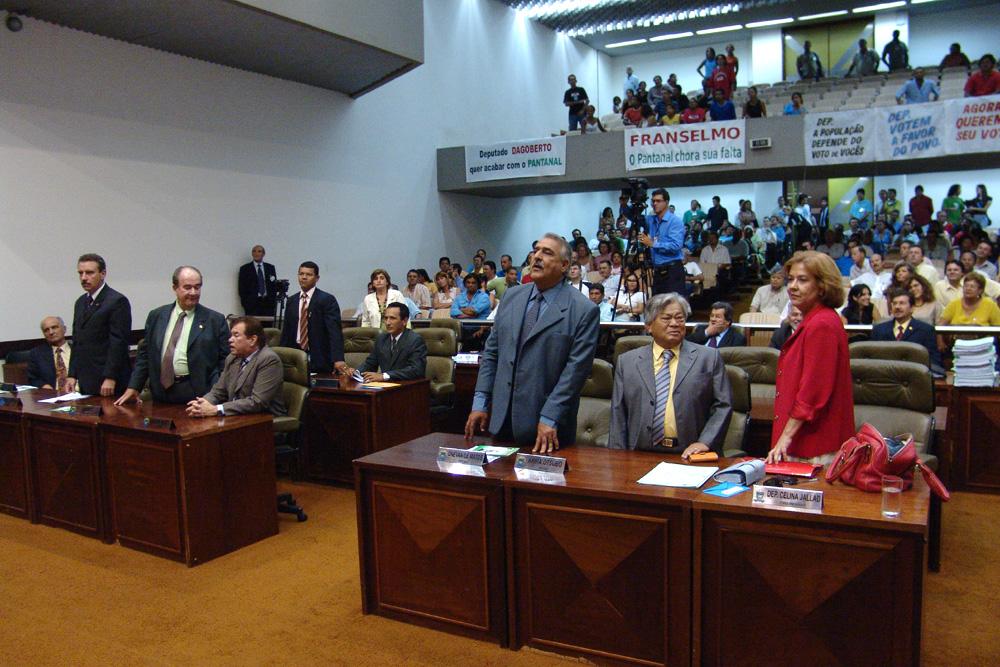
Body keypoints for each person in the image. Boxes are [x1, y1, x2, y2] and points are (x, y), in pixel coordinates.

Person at [465, 233, 600, 452]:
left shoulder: (584, 310)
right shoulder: (511, 297)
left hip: (547, 428)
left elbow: (575, 372)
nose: (537, 257)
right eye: (536, 251)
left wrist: (550, 417)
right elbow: (492, 353)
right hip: (501, 420)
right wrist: (480, 401)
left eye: (547, 253)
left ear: (565, 265)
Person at [609, 292, 732, 457]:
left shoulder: (709, 358)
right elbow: (618, 413)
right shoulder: (627, 362)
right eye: (666, 318)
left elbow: (723, 405)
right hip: (638, 453)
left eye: (680, 318)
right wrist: (617, 456)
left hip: (691, 454)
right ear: (649, 325)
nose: (674, 324)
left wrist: (705, 442)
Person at [766, 251, 854, 464]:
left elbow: (813, 391)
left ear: (823, 286)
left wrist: (785, 437)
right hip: (804, 441)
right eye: (790, 279)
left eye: (802, 280)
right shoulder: (814, 320)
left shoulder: (821, 324)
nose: (792, 286)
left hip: (814, 445)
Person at [115, 266, 228, 406]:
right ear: (175, 288)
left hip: (199, 395)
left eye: (197, 287)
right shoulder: (157, 316)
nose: (193, 292)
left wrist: (215, 395)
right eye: (187, 287)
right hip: (160, 393)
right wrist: (134, 387)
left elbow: (225, 362)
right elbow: (145, 355)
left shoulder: (215, 320)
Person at [185, 316, 286, 417]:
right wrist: (202, 403)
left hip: (265, 418)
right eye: (231, 335)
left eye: (236, 335)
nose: (230, 340)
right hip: (237, 415)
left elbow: (257, 402)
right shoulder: (232, 358)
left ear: (252, 340)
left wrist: (217, 409)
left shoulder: (268, 360)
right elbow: (218, 391)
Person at [63, 254, 132, 397]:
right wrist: (72, 374)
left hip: (108, 379)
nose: (84, 278)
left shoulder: (116, 301)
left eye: (89, 273)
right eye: (80, 273)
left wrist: (110, 377)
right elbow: (77, 341)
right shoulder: (80, 302)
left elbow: (118, 343)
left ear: (103, 274)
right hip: (86, 377)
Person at [279, 261, 347, 374]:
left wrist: (338, 358)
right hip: (295, 355)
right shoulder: (292, 300)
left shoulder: (327, 299)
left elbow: (334, 331)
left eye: (309, 274)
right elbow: (286, 331)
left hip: (319, 356)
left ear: (317, 278)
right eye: (301, 274)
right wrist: (281, 355)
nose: (304, 277)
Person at [346, 302, 428, 382]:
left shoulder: (415, 340)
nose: (388, 323)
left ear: (404, 321)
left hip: (408, 386)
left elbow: (416, 370)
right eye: (386, 318)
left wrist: (384, 376)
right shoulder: (382, 339)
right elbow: (370, 363)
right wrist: (356, 372)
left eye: (392, 318)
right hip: (386, 386)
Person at [872, 288, 943, 371]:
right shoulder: (879, 330)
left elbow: (933, 360)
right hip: (885, 374)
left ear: (912, 308)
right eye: (894, 303)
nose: (897, 307)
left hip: (915, 375)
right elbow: (873, 358)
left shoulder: (925, 330)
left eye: (902, 303)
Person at [27, 316, 71, 391]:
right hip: (53, 394)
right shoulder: (37, 354)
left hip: (80, 392)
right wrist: (43, 386)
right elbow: (33, 379)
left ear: (64, 329)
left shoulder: (78, 349)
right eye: (46, 330)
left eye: (54, 327)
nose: (51, 332)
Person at [237, 245, 277, 317]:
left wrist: (273, 300)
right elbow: (241, 288)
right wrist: (246, 303)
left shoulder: (270, 268)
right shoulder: (245, 269)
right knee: (252, 324)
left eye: (259, 251)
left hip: (268, 304)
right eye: (254, 251)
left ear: (263, 254)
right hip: (252, 304)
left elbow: (274, 285)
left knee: (268, 323)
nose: (256, 253)